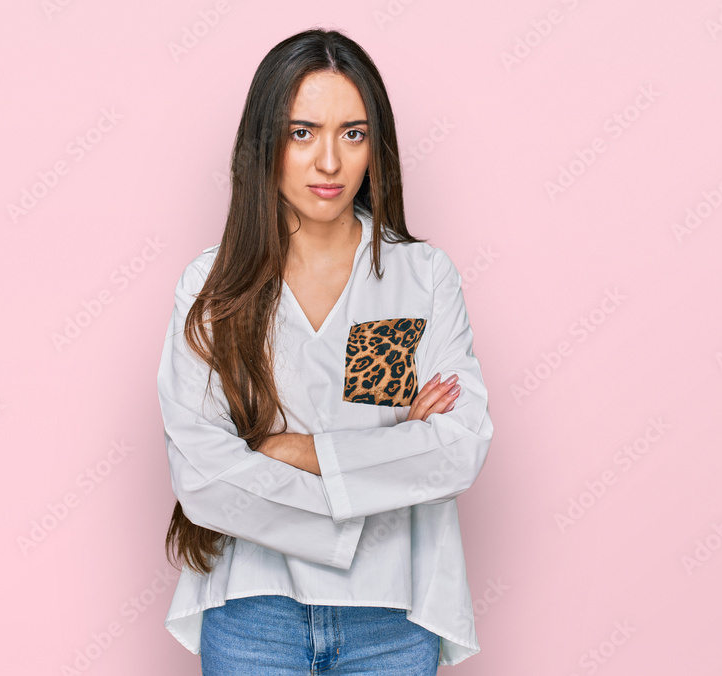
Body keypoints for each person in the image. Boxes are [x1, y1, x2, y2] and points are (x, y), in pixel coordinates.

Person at [156, 27, 494, 675]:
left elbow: (459, 448)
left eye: (353, 133)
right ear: (265, 142)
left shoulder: (422, 276)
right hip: (253, 611)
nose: (330, 162)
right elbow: (203, 477)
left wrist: (293, 450)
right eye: (303, 132)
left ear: (376, 146)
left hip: (393, 616)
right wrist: (390, 459)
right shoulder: (210, 286)